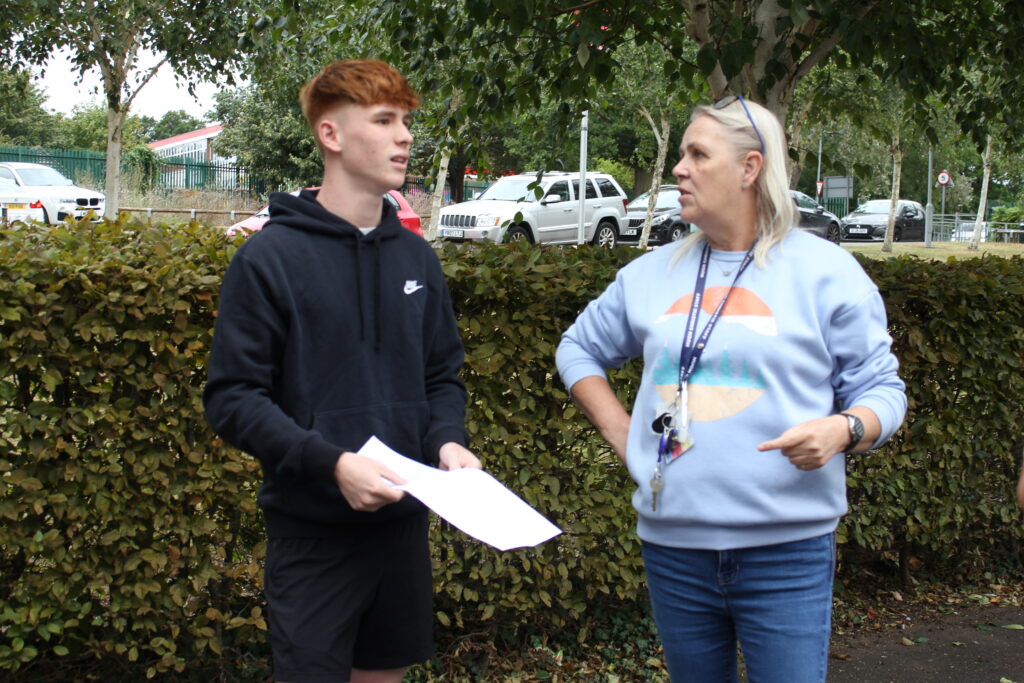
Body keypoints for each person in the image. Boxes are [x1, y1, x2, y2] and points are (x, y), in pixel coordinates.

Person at [555, 95, 906, 682]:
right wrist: (626, 437)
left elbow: (883, 391)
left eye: (698, 154)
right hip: (674, 552)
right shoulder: (648, 274)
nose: (678, 168)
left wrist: (845, 429)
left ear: (750, 168)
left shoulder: (827, 272)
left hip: (787, 554)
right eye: (682, 153)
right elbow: (578, 349)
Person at [203, 59, 480, 683]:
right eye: (384, 120)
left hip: (403, 528)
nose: (405, 135)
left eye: (406, 121)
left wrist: (447, 441)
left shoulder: (417, 257)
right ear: (331, 135)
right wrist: (331, 464)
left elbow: (442, 376)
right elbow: (233, 398)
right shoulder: (267, 260)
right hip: (312, 536)